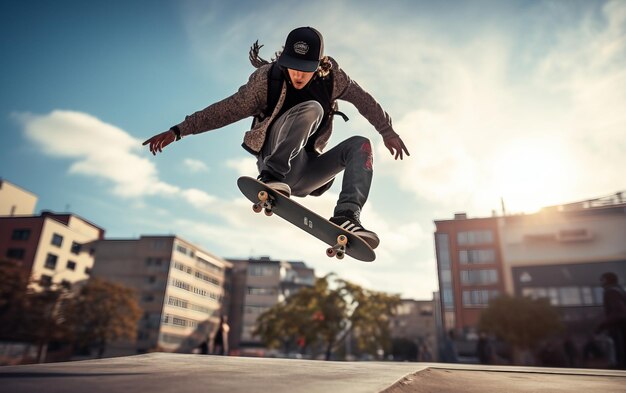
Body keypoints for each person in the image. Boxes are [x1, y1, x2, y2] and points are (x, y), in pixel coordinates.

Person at [143, 27, 409, 248]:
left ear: (319, 64)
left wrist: (387, 131)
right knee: (312, 108)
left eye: (305, 70)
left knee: (360, 144)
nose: (297, 75)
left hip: (305, 173)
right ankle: (271, 178)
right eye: (293, 68)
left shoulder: (335, 80)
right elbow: (226, 110)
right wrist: (179, 130)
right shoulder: (266, 80)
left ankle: (347, 215)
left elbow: (365, 101)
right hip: (273, 160)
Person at [595, 272, 626, 369]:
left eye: (602, 280)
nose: (601, 283)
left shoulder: (611, 291)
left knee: (621, 360)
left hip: (620, 329)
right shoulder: (620, 291)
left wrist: (602, 325)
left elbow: (619, 312)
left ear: (607, 280)